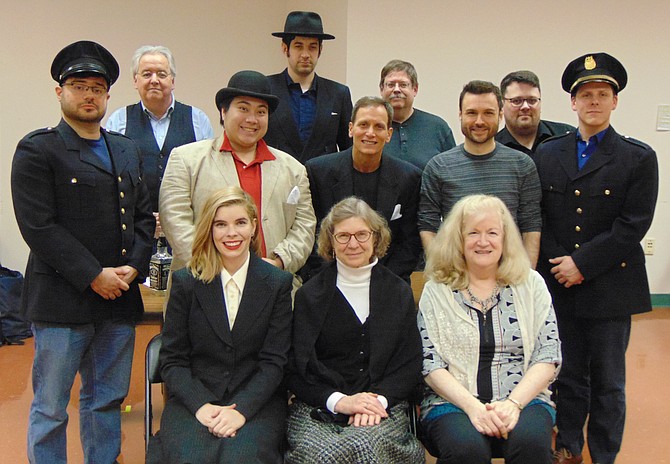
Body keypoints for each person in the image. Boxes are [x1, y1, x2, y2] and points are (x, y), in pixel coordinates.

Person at [10, 41, 154, 464]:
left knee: (106, 400)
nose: (88, 94)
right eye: (78, 85)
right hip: (62, 301)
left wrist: (133, 266)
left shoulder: (126, 148)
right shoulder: (38, 149)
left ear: (108, 95)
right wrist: (94, 274)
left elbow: (144, 216)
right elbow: (39, 226)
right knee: (52, 407)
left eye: (97, 87)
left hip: (119, 300)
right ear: (60, 92)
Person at [535, 53, 659, 464]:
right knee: (567, 374)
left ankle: (604, 452)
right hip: (559, 281)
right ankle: (569, 443)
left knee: (608, 380)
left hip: (610, 284)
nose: (593, 101)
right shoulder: (549, 153)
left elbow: (631, 226)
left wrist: (581, 264)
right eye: (585, 94)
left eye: (602, 94)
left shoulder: (638, 158)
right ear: (572, 102)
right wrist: (559, 263)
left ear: (614, 101)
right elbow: (540, 216)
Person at [151, 186, 293, 463]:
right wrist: (201, 406)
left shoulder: (277, 283)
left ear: (253, 227)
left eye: (240, 223)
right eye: (221, 225)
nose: (231, 233)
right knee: (187, 458)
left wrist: (241, 410)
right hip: (195, 400)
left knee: (243, 458)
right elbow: (173, 360)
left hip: (256, 403)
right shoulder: (186, 282)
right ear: (209, 229)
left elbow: (274, 362)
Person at [418, 194, 561, 464]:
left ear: (505, 238)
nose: (483, 242)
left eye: (492, 232)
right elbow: (429, 362)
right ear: (458, 239)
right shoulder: (437, 289)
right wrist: (473, 408)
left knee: (530, 443)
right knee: (466, 449)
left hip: (523, 399)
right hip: (453, 402)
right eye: (473, 233)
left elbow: (548, 353)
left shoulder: (531, 284)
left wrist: (513, 404)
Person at [284, 197, 424, 463]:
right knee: (322, 455)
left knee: (366, 446)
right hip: (319, 405)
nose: (353, 244)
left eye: (361, 234)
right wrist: (338, 401)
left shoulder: (398, 293)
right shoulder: (309, 296)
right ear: (330, 242)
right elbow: (296, 368)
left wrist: (377, 401)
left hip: (383, 407)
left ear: (376, 238)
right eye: (343, 236)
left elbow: (409, 364)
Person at [159, 70, 316, 286]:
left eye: (261, 112)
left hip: (271, 287)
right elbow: (175, 219)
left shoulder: (294, 169)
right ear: (223, 112)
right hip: (202, 283)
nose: (252, 119)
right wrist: (216, 267)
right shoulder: (186, 159)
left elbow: (305, 226)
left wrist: (279, 262)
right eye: (243, 108)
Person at [418, 80, 542, 267]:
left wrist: (524, 278)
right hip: (455, 278)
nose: (479, 121)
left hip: (508, 278)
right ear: (460, 114)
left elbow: (531, 227)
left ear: (500, 115)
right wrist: (442, 271)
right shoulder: (438, 167)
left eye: (488, 113)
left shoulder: (522, 165)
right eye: (471, 113)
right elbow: (428, 226)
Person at [304, 96, 422, 283]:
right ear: (351, 129)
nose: (370, 133)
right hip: (328, 280)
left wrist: (378, 281)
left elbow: (409, 243)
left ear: (389, 134)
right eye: (363, 125)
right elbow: (311, 235)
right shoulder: (318, 172)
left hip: (388, 282)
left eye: (379, 127)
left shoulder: (409, 178)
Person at [107, 45, 214, 237]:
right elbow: (111, 179)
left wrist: (173, 219)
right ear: (135, 80)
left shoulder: (197, 119)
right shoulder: (118, 120)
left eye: (162, 74)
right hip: (134, 232)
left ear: (172, 81)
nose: (154, 80)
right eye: (147, 74)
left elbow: (207, 179)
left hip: (187, 231)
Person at [265, 11, 353, 163]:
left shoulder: (339, 93)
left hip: (324, 182)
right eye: (298, 46)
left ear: (320, 50)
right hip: (277, 179)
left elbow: (348, 149)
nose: (305, 54)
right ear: (285, 48)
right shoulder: (266, 88)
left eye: (312, 47)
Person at [379, 59, 456, 170]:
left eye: (403, 85)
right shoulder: (373, 129)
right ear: (381, 89)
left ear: (415, 89)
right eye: (390, 85)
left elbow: (452, 171)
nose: (396, 90)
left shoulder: (437, 127)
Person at [496, 70, 574, 157]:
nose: (525, 107)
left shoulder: (567, 136)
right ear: (502, 104)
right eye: (516, 101)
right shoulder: (494, 148)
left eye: (532, 100)